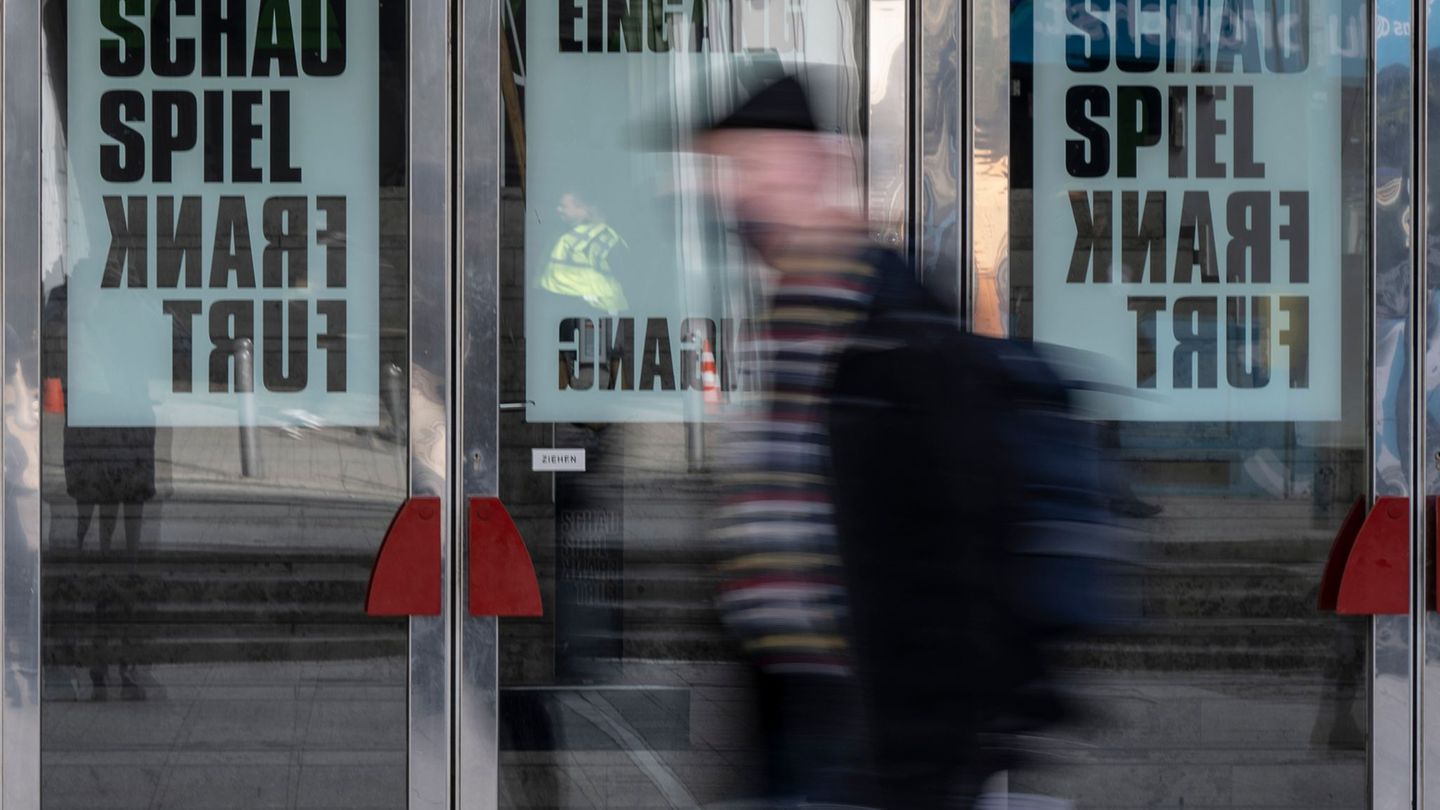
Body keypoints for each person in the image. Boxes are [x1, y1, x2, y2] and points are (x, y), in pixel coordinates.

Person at [701, 75, 1057, 809]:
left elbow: (976, 537)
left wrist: (950, 749)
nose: (738, 199)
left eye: (755, 170)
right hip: (792, 709)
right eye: (729, 175)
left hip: (883, 731)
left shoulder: (899, 328)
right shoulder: (786, 316)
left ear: (819, 168)